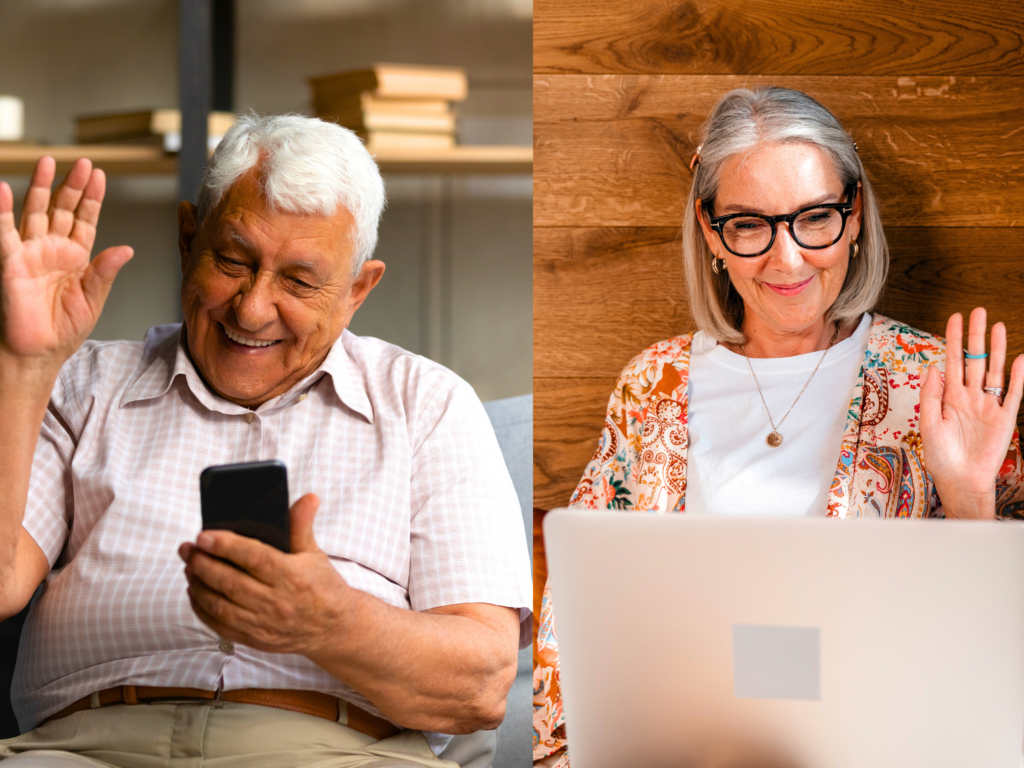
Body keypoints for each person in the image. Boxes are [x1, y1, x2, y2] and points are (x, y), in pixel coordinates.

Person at [0, 113, 532, 768]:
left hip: (331, 753)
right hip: (79, 750)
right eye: (232, 260)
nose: (252, 309)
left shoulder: (427, 405)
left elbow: (479, 687)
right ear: (187, 237)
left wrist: (325, 622)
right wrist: (22, 367)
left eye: (300, 281)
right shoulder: (86, 384)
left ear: (358, 290)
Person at [532, 86, 1024, 767]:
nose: (787, 259)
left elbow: (991, 670)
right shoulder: (653, 383)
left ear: (854, 217)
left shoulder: (933, 385)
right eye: (749, 225)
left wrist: (970, 497)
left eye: (815, 217)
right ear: (711, 232)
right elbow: (575, 605)